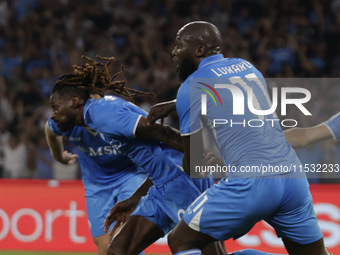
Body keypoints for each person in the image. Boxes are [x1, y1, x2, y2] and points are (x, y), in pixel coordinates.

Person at [144, 21, 336, 255]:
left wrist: (201, 160)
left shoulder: (190, 87)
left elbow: (195, 167)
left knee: (181, 240)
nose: (173, 52)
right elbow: (228, 96)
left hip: (251, 184)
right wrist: (176, 105)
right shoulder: (246, 67)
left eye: (179, 45)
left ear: (198, 50)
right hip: (292, 179)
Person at [49, 56, 218, 255]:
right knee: (118, 251)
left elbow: (160, 133)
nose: (53, 115)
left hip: (182, 179)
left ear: (74, 101)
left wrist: (202, 154)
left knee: (206, 251)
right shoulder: (95, 117)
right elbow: (155, 155)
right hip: (162, 183)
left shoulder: (103, 113)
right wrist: (135, 198)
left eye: (55, 107)